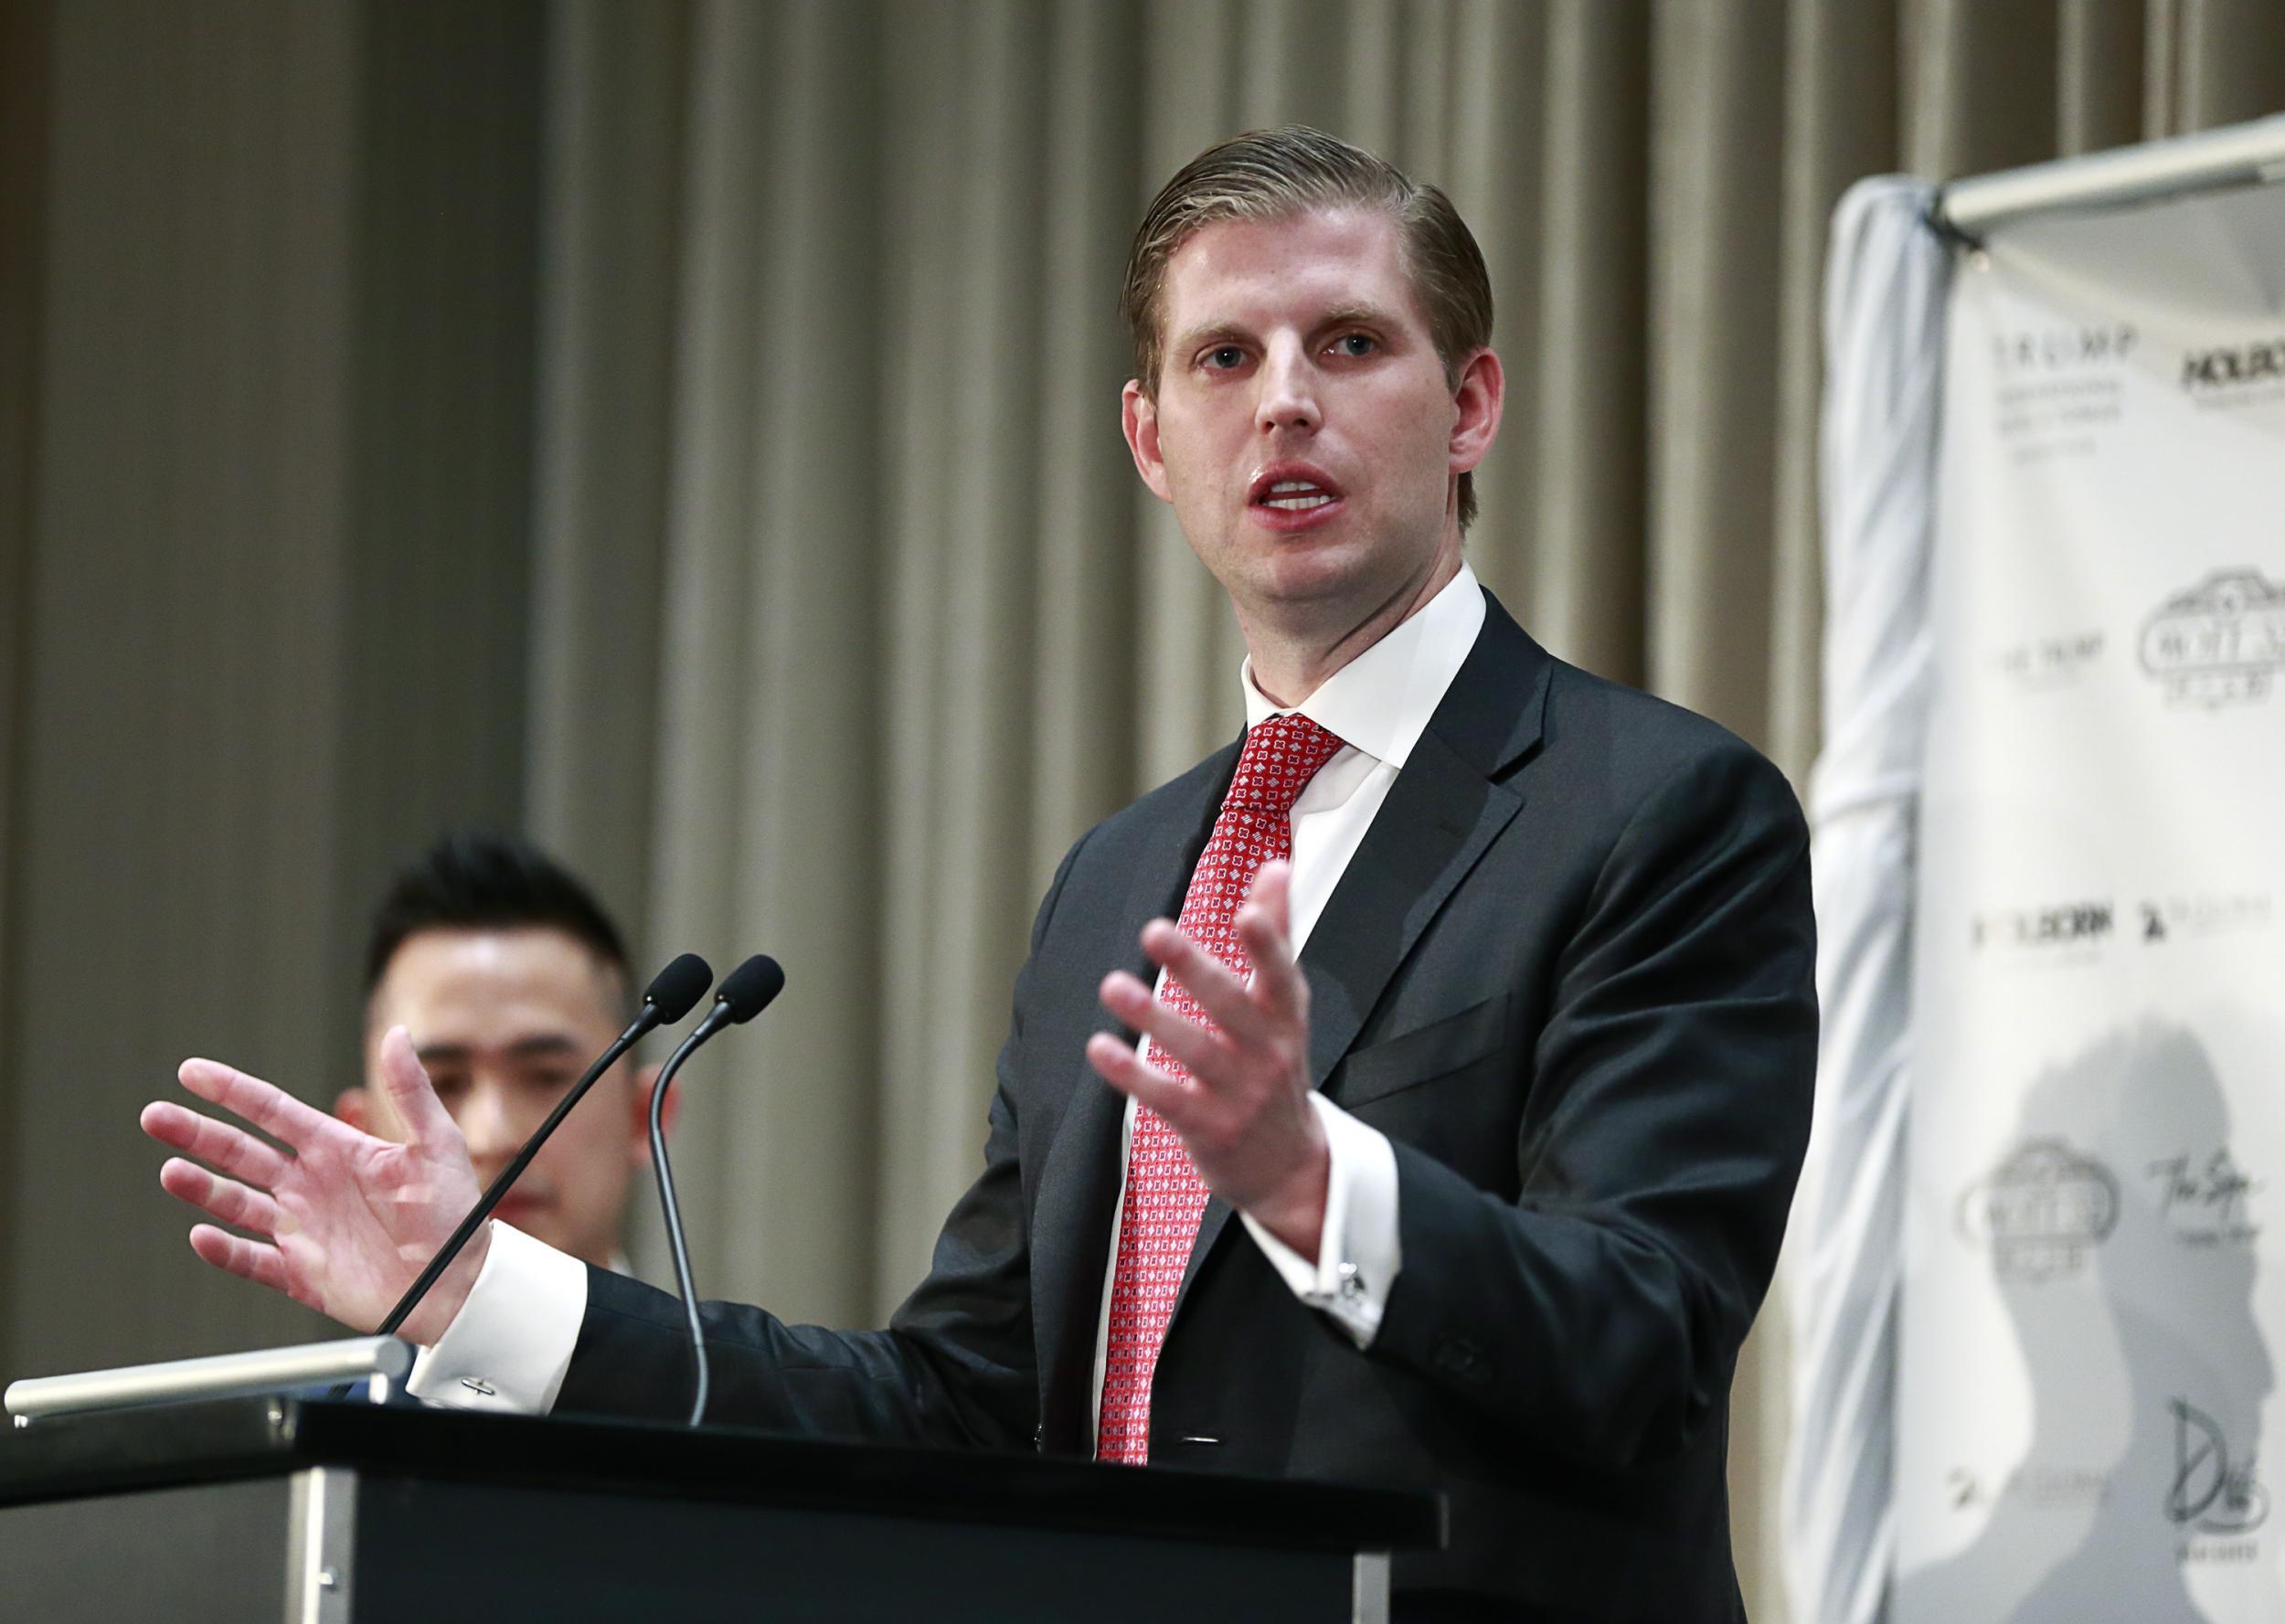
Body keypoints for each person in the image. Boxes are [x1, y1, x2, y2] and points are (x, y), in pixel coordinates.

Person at [142, 128, 1815, 1619]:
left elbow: (1644, 1340)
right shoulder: (1122, 875)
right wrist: (485, 1285)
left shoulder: (1657, 812)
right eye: (1225, 357)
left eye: (1351, 343)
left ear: (1470, 406)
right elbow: (960, 1402)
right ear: (1153, 443)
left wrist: (1316, 1179)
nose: (1286, 398)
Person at [344, 830, 665, 1271]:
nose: (492, 1138)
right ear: (362, 1136)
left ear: (645, 1115)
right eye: (441, 1084)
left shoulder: (728, 1344)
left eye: (546, 1076)